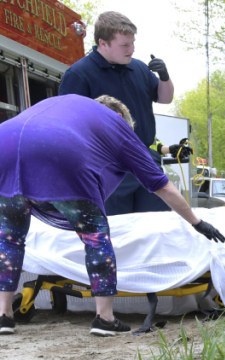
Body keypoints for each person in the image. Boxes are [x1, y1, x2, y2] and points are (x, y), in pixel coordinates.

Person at [0, 95, 225, 336]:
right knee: (95, 238)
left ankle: (4, 315)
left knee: (10, 239)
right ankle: (105, 318)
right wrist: (197, 222)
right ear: (120, 118)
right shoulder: (115, 124)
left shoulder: (68, 107)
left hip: (4, 141)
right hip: (59, 151)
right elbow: (161, 185)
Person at [59, 11, 176, 215]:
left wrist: (164, 77)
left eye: (132, 43)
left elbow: (165, 98)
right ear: (103, 44)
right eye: (125, 45)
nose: (131, 49)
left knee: (157, 227)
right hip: (107, 166)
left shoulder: (139, 68)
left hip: (145, 159)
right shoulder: (79, 74)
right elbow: (67, 129)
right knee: (118, 232)